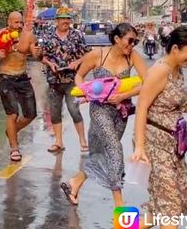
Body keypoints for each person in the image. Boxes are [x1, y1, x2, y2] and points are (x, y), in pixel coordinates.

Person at [127, 27, 187, 229]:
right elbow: (142, 108)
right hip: (153, 143)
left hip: (174, 144)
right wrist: (140, 147)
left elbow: (173, 103)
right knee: (170, 206)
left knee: (177, 197)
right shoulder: (160, 70)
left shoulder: (178, 69)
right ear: (175, 48)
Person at [60, 23, 148, 208]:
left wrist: (123, 96)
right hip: (99, 109)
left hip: (121, 112)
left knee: (101, 154)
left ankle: (74, 183)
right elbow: (79, 76)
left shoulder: (133, 56)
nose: (132, 45)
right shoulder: (98, 54)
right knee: (115, 151)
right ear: (117, 39)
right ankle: (120, 208)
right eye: (130, 40)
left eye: (136, 41)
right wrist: (86, 91)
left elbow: (147, 83)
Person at [0, 9, 37, 162]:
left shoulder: (27, 36)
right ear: (8, 22)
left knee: (31, 114)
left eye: (21, 22)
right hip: (5, 77)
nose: (19, 25)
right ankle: (14, 149)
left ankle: (12, 130)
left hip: (22, 77)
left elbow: (36, 55)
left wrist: (38, 53)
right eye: (16, 22)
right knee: (12, 113)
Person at [40, 7, 89, 153]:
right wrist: (49, 63)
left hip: (71, 80)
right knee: (55, 112)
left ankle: (82, 140)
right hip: (54, 80)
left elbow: (87, 55)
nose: (66, 21)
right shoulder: (47, 36)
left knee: (74, 109)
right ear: (57, 21)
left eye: (68, 19)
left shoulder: (77, 35)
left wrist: (77, 62)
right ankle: (58, 142)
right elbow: (40, 56)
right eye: (63, 19)